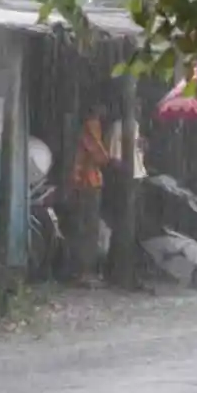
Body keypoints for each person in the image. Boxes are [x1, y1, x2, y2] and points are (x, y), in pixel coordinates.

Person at [69, 103, 110, 285]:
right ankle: (85, 272)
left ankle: (82, 270)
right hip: (88, 182)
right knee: (88, 228)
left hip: (84, 181)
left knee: (86, 227)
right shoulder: (91, 126)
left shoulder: (84, 127)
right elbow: (99, 155)